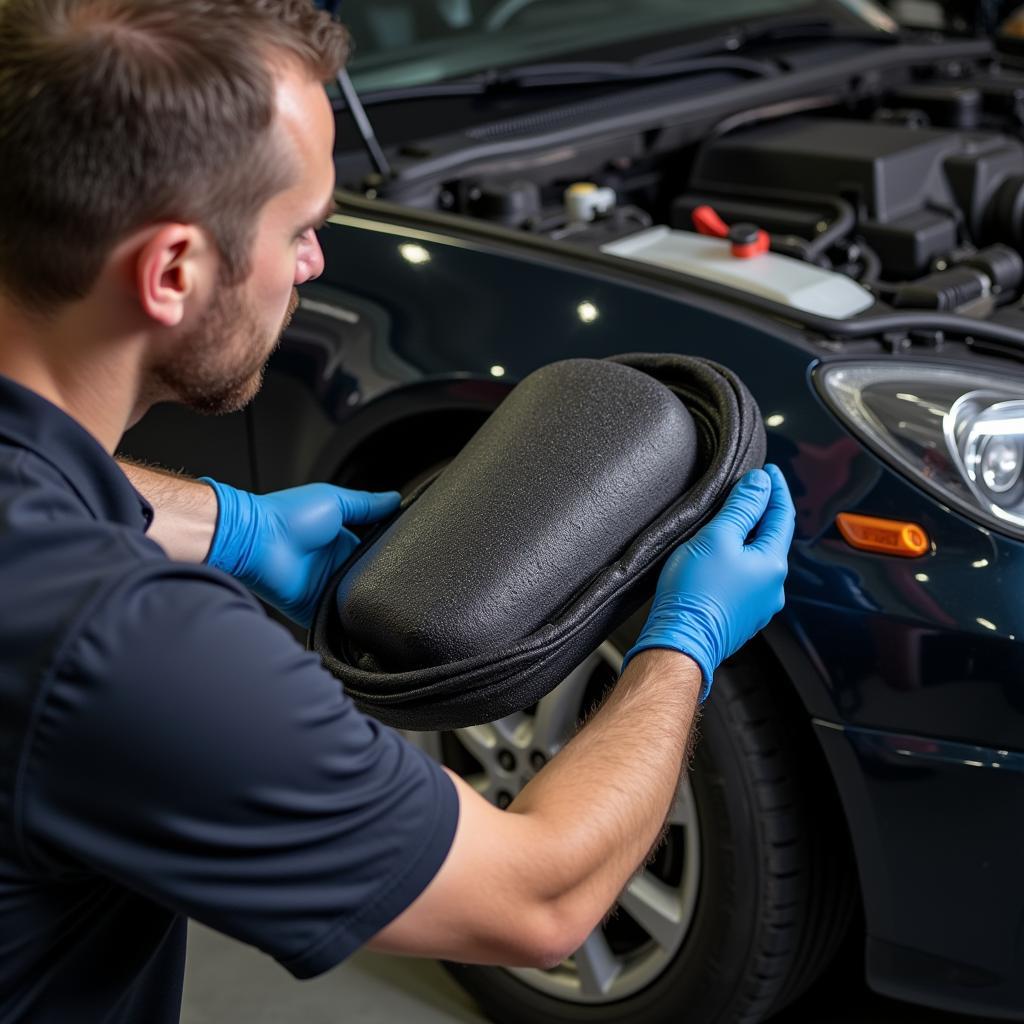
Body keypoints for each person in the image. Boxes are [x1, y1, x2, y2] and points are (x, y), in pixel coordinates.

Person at [0, 2, 795, 1021]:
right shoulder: (122, 647)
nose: (313, 263)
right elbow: (535, 896)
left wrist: (231, 526)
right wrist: (683, 644)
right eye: (299, 229)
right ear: (171, 272)